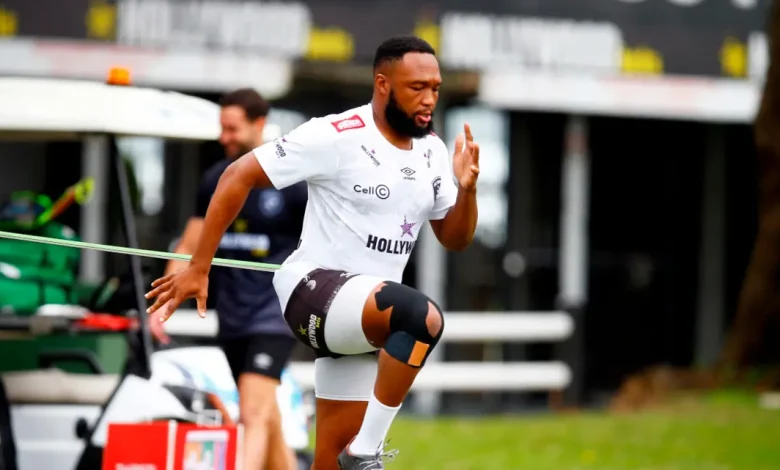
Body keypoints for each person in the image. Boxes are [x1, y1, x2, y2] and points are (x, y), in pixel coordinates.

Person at [145, 36, 479, 470]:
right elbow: (236, 175)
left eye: (435, 87)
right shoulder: (335, 134)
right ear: (383, 84)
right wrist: (198, 266)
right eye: (417, 87)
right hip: (312, 292)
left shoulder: (433, 150)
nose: (429, 99)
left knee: (329, 459)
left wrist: (468, 190)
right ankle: (366, 451)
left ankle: (353, 453)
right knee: (421, 318)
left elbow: (455, 238)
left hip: (363, 318)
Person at [150, 88, 305, 470]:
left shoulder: (293, 182)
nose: (224, 138)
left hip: (274, 317)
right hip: (232, 318)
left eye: (233, 129)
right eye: (222, 128)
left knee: (251, 414)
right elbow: (190, 244)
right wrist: (161, 307)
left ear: (259, 124)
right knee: (265, 415)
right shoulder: (214, 180)